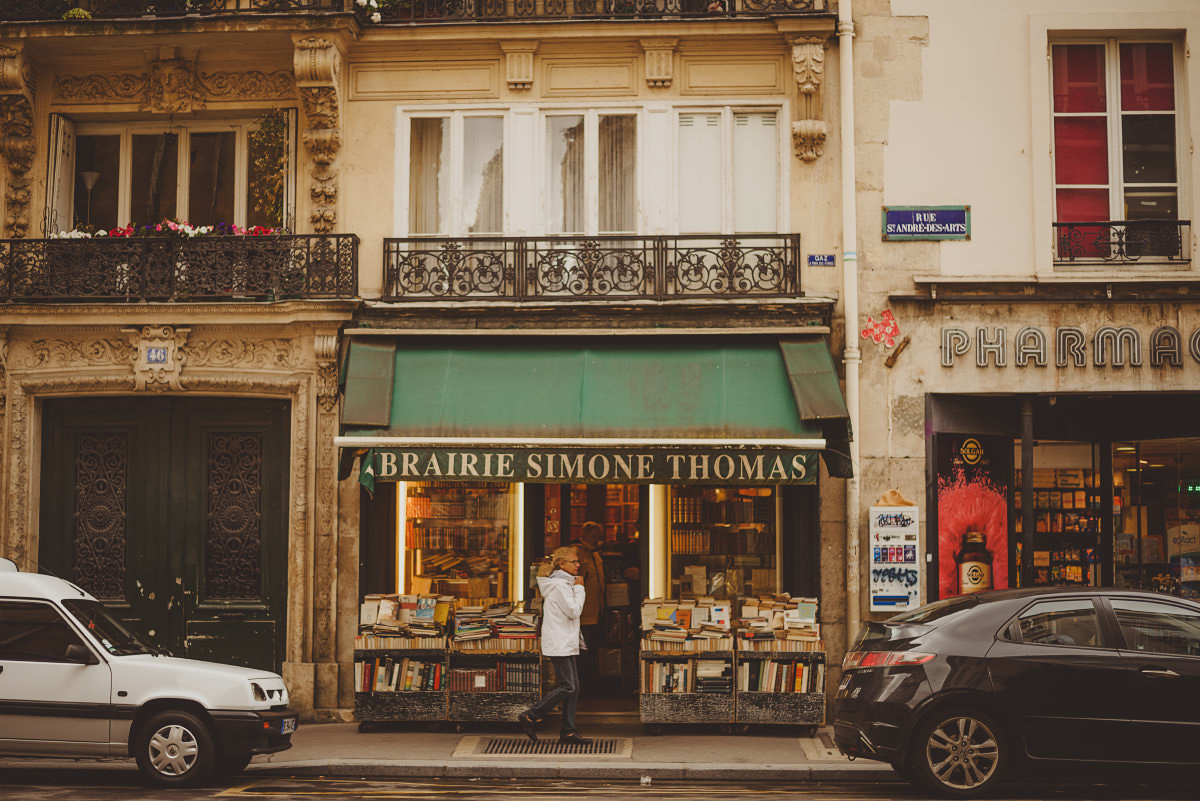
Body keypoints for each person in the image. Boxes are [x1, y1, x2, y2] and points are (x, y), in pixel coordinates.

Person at [517, 546, 593, 745]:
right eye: (574, 562)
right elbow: (574, 611)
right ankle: (531, 715)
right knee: (569, 686)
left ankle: (568, 731)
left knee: (573, 688)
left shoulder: (563, 583)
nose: (578, 565)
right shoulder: (560, 586)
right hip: (560, 641)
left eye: (578, 562)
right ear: (561, 564)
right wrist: (580, 588)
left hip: (565, 640)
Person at [571, 520, 607, 676]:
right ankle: (582, 683)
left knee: (592, 649)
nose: (596, 539)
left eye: (598, 536)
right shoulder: (576, 553)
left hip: (596, 610)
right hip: (583, 612)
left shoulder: (596, 554)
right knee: (582, 651)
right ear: (584, 535)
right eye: (593, 536)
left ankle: (590, 682)